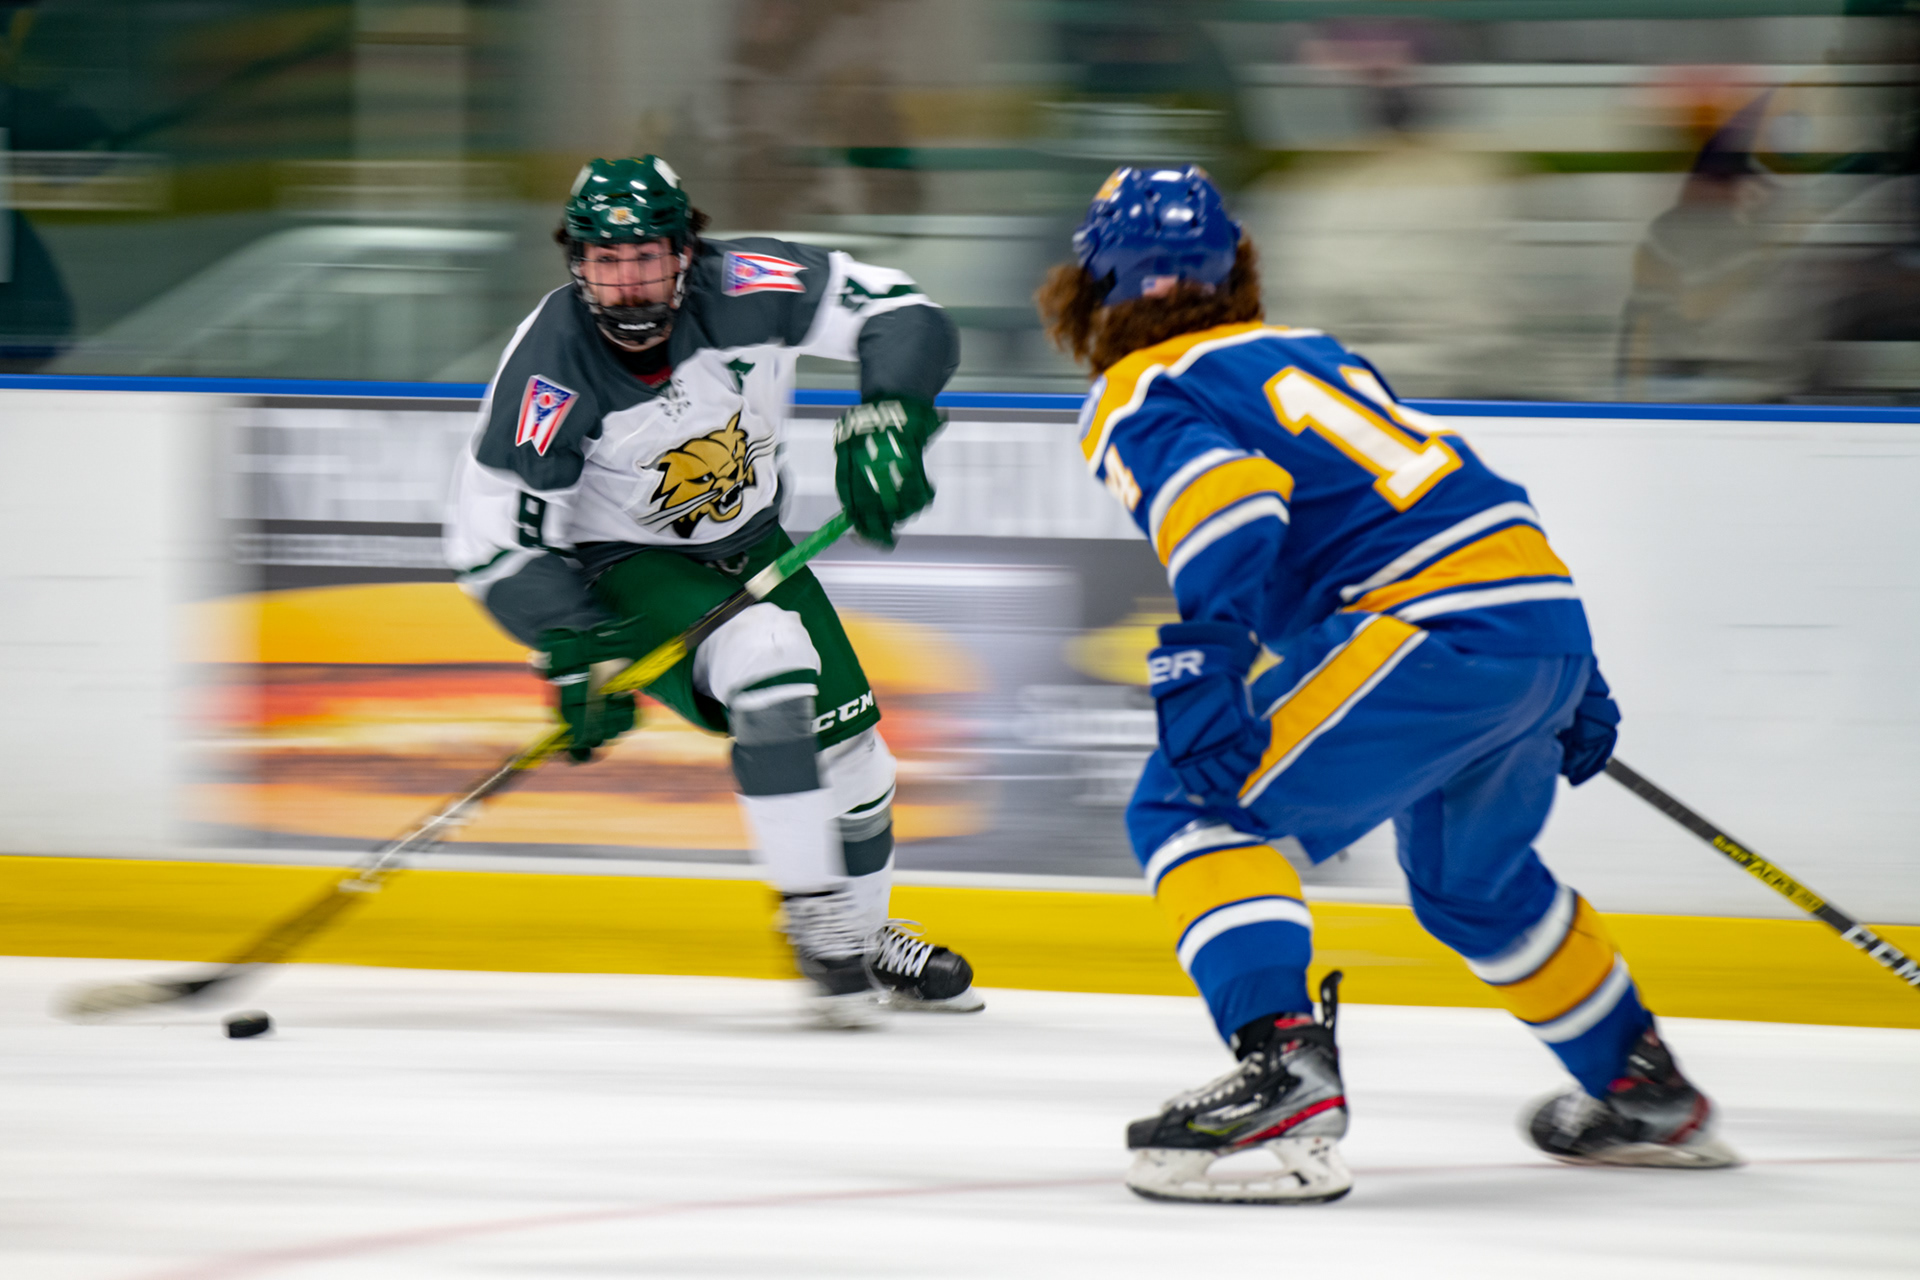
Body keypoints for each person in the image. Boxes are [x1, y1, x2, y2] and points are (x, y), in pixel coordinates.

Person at [1036, 166, 1738, 1203]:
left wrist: (1208, 647)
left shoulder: (1145, 386)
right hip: (1530, 616)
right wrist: (1570, 671)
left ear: (1101, 289)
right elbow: (1471, 492)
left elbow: (1229, 507)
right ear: (1235, 270)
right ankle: (1644, 1090)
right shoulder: (1316, 355)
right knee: (1473, 885)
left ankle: (1287, 1071)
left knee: (1191, 803)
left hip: (1428, 628)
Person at [444, 155, 980, 1027]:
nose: (627, 285)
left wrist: (894, 410)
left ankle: (864, 931)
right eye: (605, 262)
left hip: (755, 540)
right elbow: (489, 540)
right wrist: (574, 642)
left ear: (686, 252)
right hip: (623, 563)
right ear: (576, 265)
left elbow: (902, 311)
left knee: (859, 759)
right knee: (770, 660)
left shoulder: (751, 284)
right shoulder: (550, 367)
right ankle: (814, 914)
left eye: (647, 258)